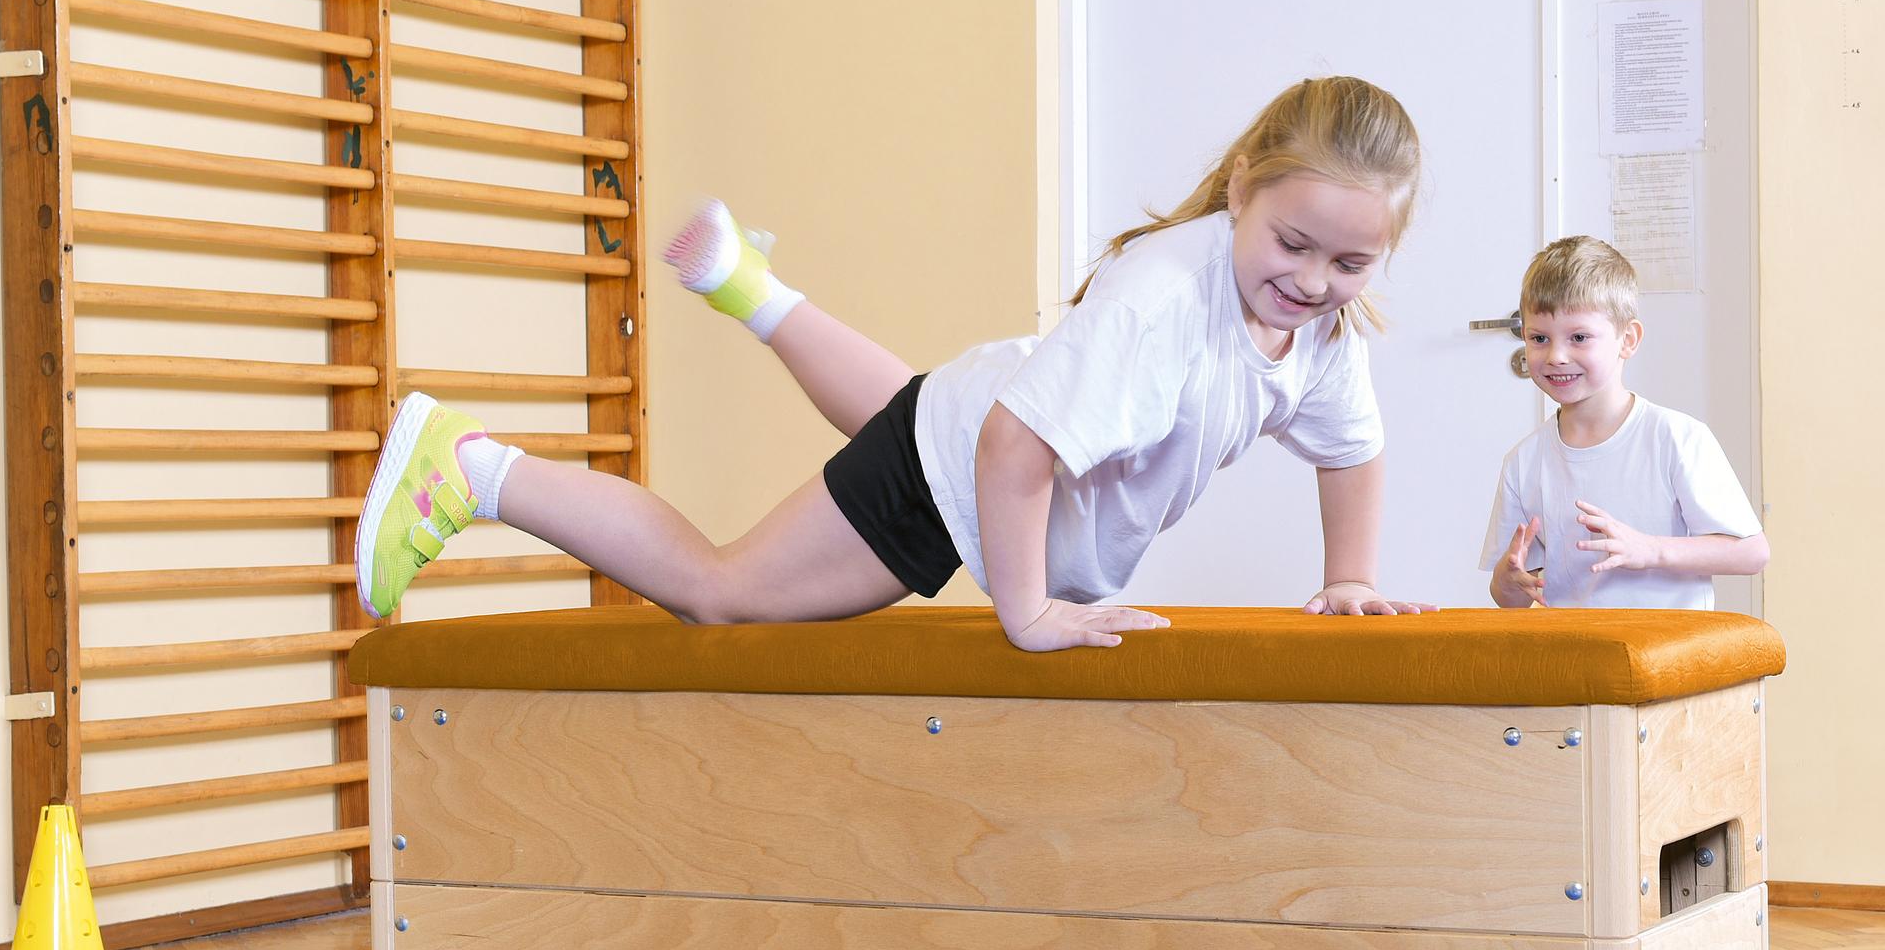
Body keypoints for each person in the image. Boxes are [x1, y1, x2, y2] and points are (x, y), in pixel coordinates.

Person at [354, 74, 1434, 651]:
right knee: (723, 593)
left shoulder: (1324, 324)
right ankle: (477, 468)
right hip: (978, 461)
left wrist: (1348, 576)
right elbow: (1010, 447)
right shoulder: (1159, 300)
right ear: (1241, 185)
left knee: (911, 411)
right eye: (1293, 246)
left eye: (1350, 260)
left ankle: (749, 287)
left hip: (973, 419)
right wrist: (1024, 613)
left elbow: (1353, 451)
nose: (1313, 281)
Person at [1479, 235, 1767, 610]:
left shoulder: (1676, 438)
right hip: (1578, 658)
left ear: (1627, 340)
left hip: (1670, 657)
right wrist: (1510, 580)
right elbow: (1508, 597)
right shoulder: (1524, 461)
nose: (1556, 356)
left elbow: (1752, 553)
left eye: (1579, 337)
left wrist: (1649, 549)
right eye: (1539, 338)